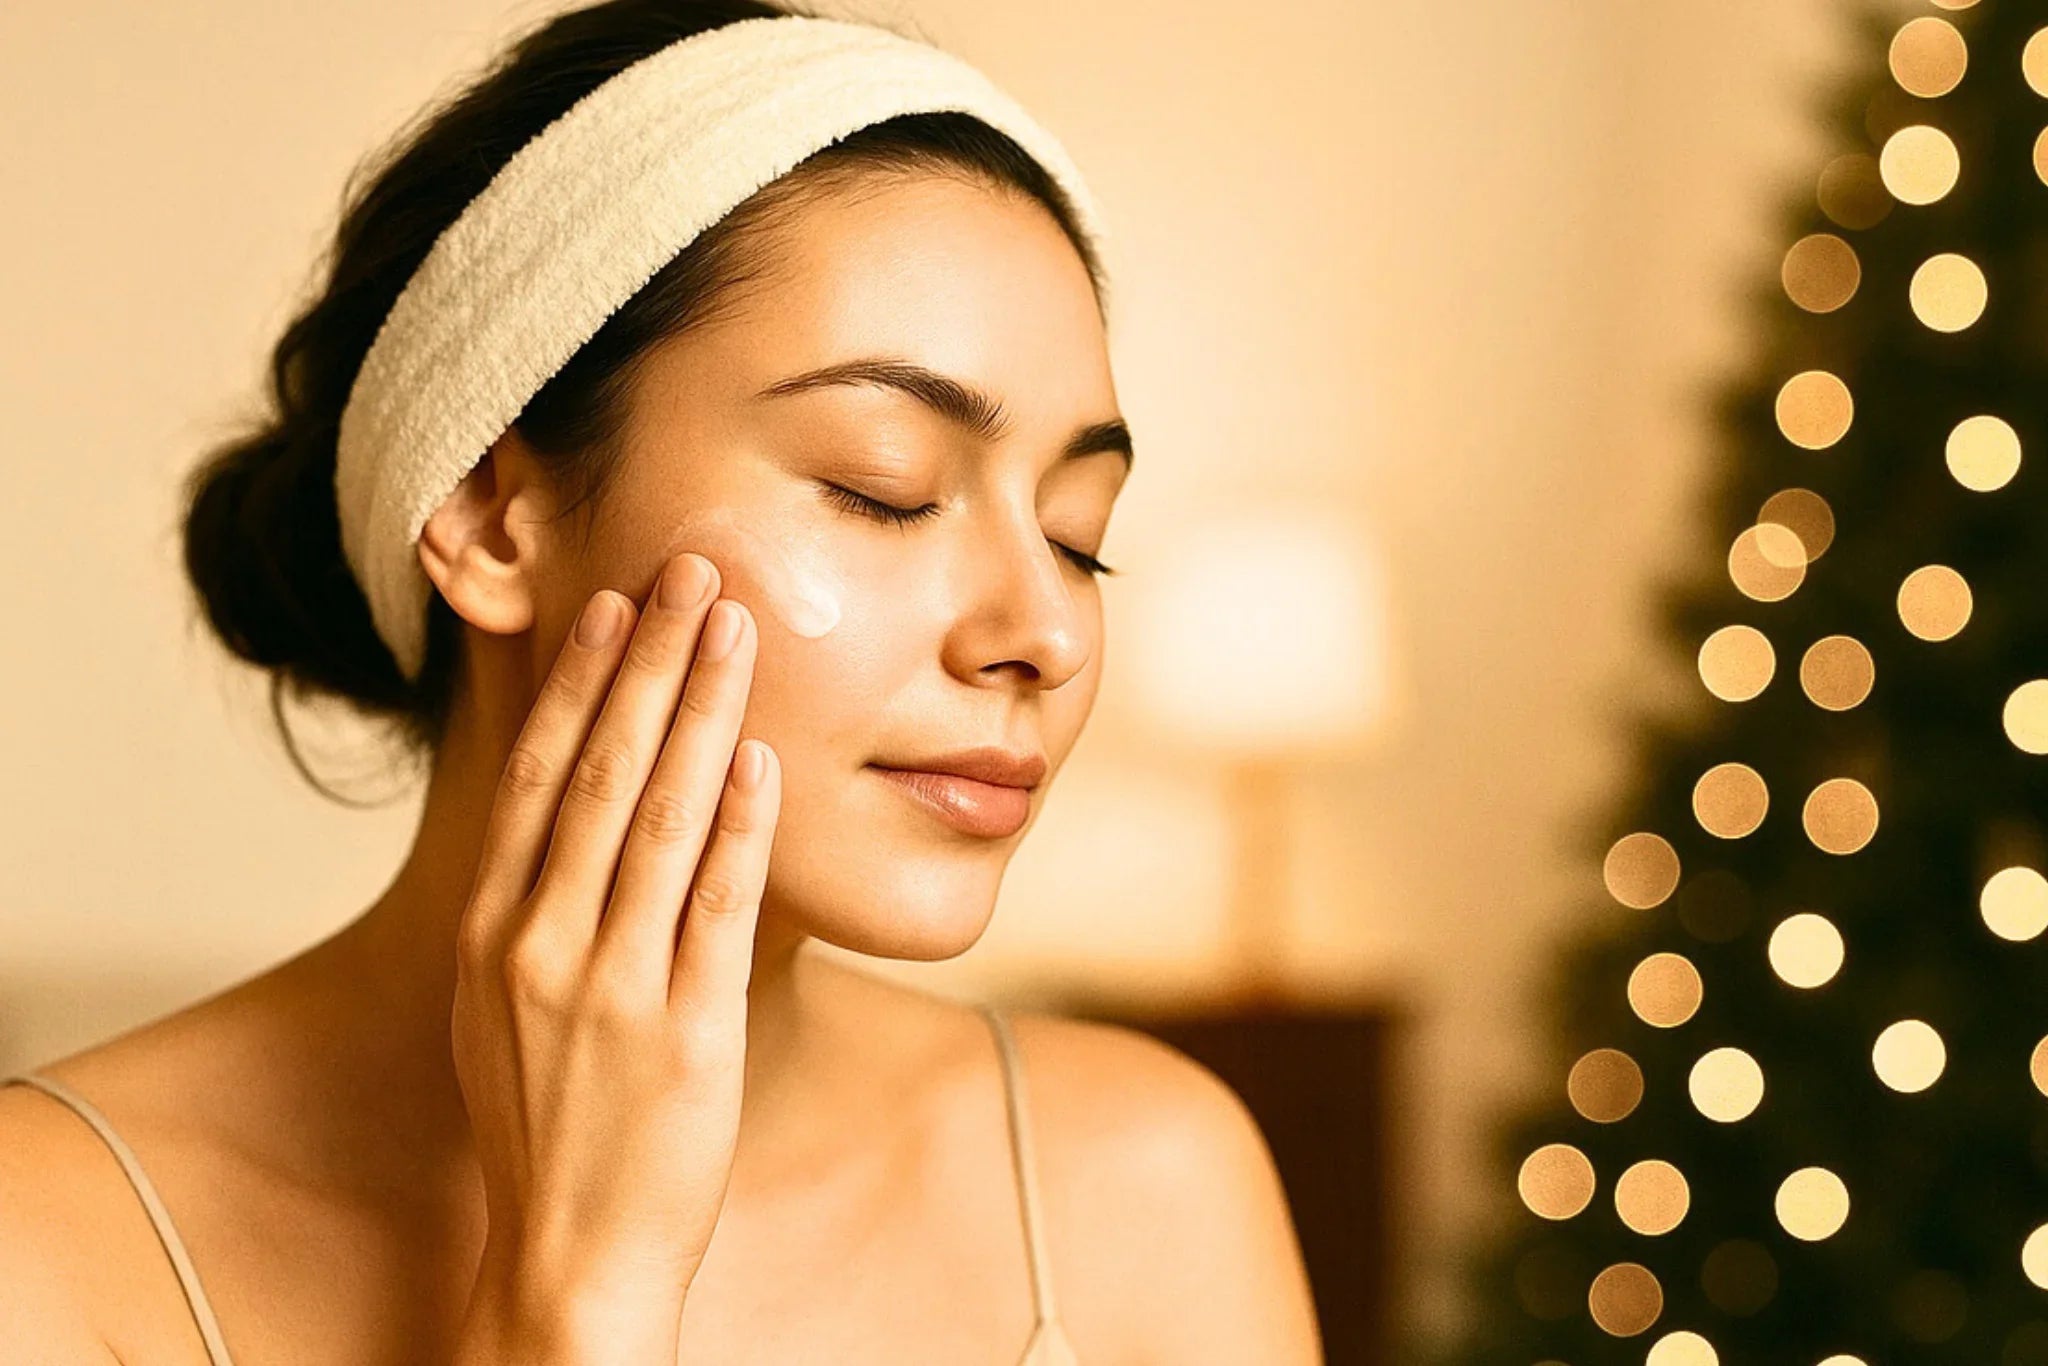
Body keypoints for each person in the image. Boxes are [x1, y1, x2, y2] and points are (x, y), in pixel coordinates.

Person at [0, 2, 1323, 1362]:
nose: (1041, 626)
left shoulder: (1148, 1191)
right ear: (489, 515)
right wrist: (578, 1287)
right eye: (883, 488)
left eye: (1078, 536)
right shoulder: (46, 1248)